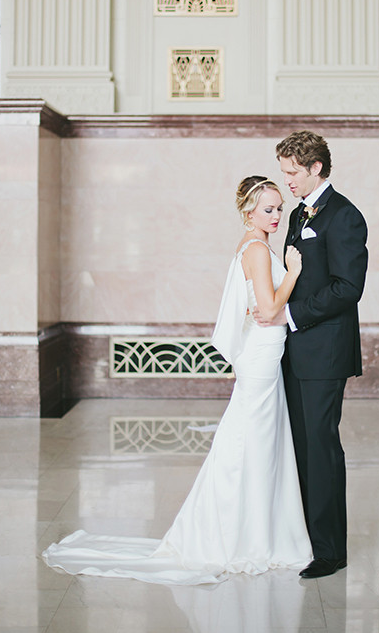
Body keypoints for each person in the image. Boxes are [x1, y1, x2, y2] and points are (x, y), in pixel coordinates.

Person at [42, 176, 311, 585]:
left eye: (279, 208)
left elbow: (261, 307)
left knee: (254, 439)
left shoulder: (255, 245)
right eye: (268, 209)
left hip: (265, 353)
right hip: (260, 358)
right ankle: (246, 537)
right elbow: (271, 308)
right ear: (248, 212)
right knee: (253, 441)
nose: (276, 216)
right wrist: (293, 272)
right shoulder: (257, 249)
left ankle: (255, 531)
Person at [254, 131, 368, 579]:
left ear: (316, 167)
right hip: (294, 350)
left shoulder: (345, 216)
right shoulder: (301, 212)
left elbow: (348, 288)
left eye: (293, 172)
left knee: (321, 449)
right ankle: (304, 538)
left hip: (324, 353)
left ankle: (330, 551)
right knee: (300, 445)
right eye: (284, 172)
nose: (287, 180)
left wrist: (289, 315)